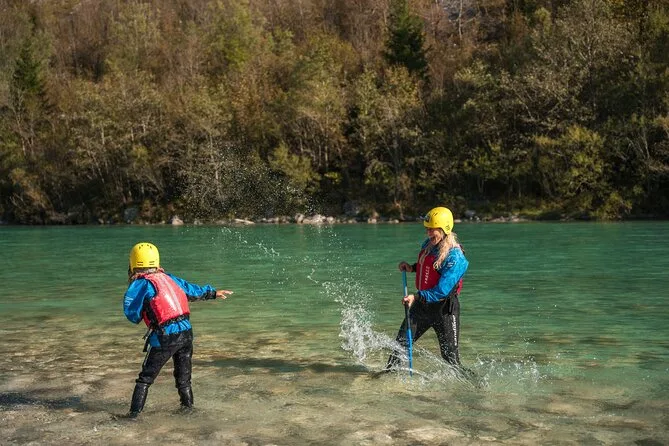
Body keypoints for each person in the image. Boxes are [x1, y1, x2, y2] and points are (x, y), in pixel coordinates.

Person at [123, 242, 233, 418]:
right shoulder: (170, 278)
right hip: (187, 334)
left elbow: (132, 315)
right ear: (157, 263)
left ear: (132, 265)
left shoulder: (140, 284)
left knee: (144, 379)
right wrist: (213, 293)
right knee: (184, 379)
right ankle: (188, 410)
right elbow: (192, 291)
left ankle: (133, 417)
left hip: (165, 337)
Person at [385, 206, 469, 372]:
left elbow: (442, 290)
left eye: (432, 229)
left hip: (444, 311)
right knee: (400, 345)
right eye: (427, 229)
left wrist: (415, 297)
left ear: (444, 229)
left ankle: (473, 384)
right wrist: (412, 268)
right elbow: (430, 268)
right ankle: (387, 378)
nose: (428, 233)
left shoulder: (456, 258)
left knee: (451, 359)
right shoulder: (430, 245)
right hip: (422, 306)